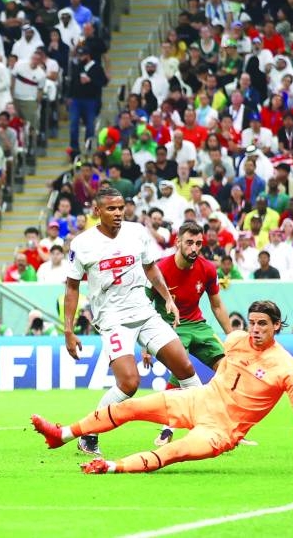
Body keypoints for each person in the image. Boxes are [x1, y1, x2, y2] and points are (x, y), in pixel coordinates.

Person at [31, 300, 293, 475]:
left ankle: (111, 466)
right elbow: (204, 361)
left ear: (277, 327)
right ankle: (63, 435)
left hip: (221, 430)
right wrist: (153, 349)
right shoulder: (235, 341)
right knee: (130, 406)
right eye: (253, 323)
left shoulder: (287, 367)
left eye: (263, 325)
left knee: (173, 451)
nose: (255, 330)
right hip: (197, 399)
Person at [63, 186, 202, 456]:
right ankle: (89, 433)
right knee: (129, 383)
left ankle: (209, 423)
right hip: (113, 320)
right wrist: (68, 330)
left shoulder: (137, 232)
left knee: (184, 366)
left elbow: (151, 268)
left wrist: (168, 300)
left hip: (144, 312)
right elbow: (71, 288)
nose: (118, 213)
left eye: (121, 207)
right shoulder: (82, 244)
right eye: (111, 209)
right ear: (97, 211)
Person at [146, 221, 233, 446]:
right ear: (177, 242)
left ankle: (227, 425)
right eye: (189, 243)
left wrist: (232, 337)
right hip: (170, 327)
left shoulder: (208, 269)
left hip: (198, 325)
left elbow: (217, 305)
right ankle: (168, 427)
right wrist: (145, 344)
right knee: (182, 368)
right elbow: (144, 307)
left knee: (229, 368)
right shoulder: (159, 270)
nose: (194, 248)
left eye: (198, 244)